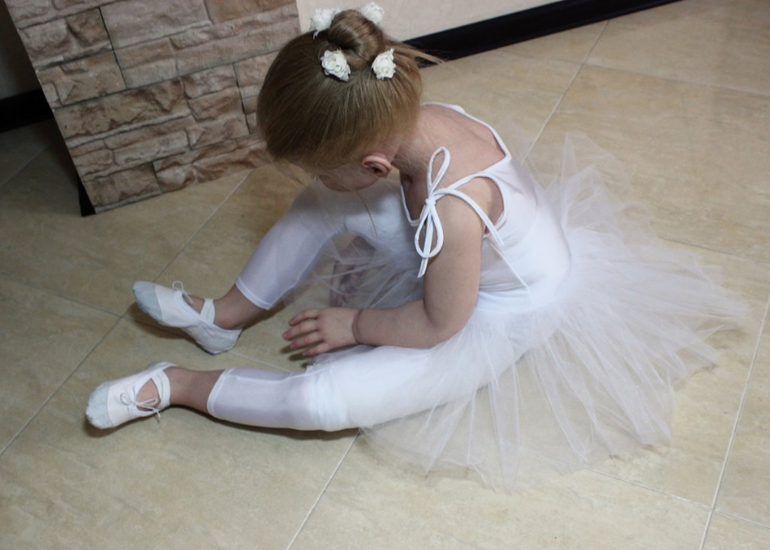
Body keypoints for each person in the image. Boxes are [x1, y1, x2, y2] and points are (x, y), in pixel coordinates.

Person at [85, 5, 744, 489]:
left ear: (374, 165)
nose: (318, 179)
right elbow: (370, 197)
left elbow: (439, 323)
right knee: (320, 207)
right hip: (460, 257)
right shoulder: (407, 117)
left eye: (322, 167)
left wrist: (355, 324)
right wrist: (335, 196)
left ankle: (177, 385)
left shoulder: (455, 209)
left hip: (495, 313)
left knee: (320, 403)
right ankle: (225, 317)